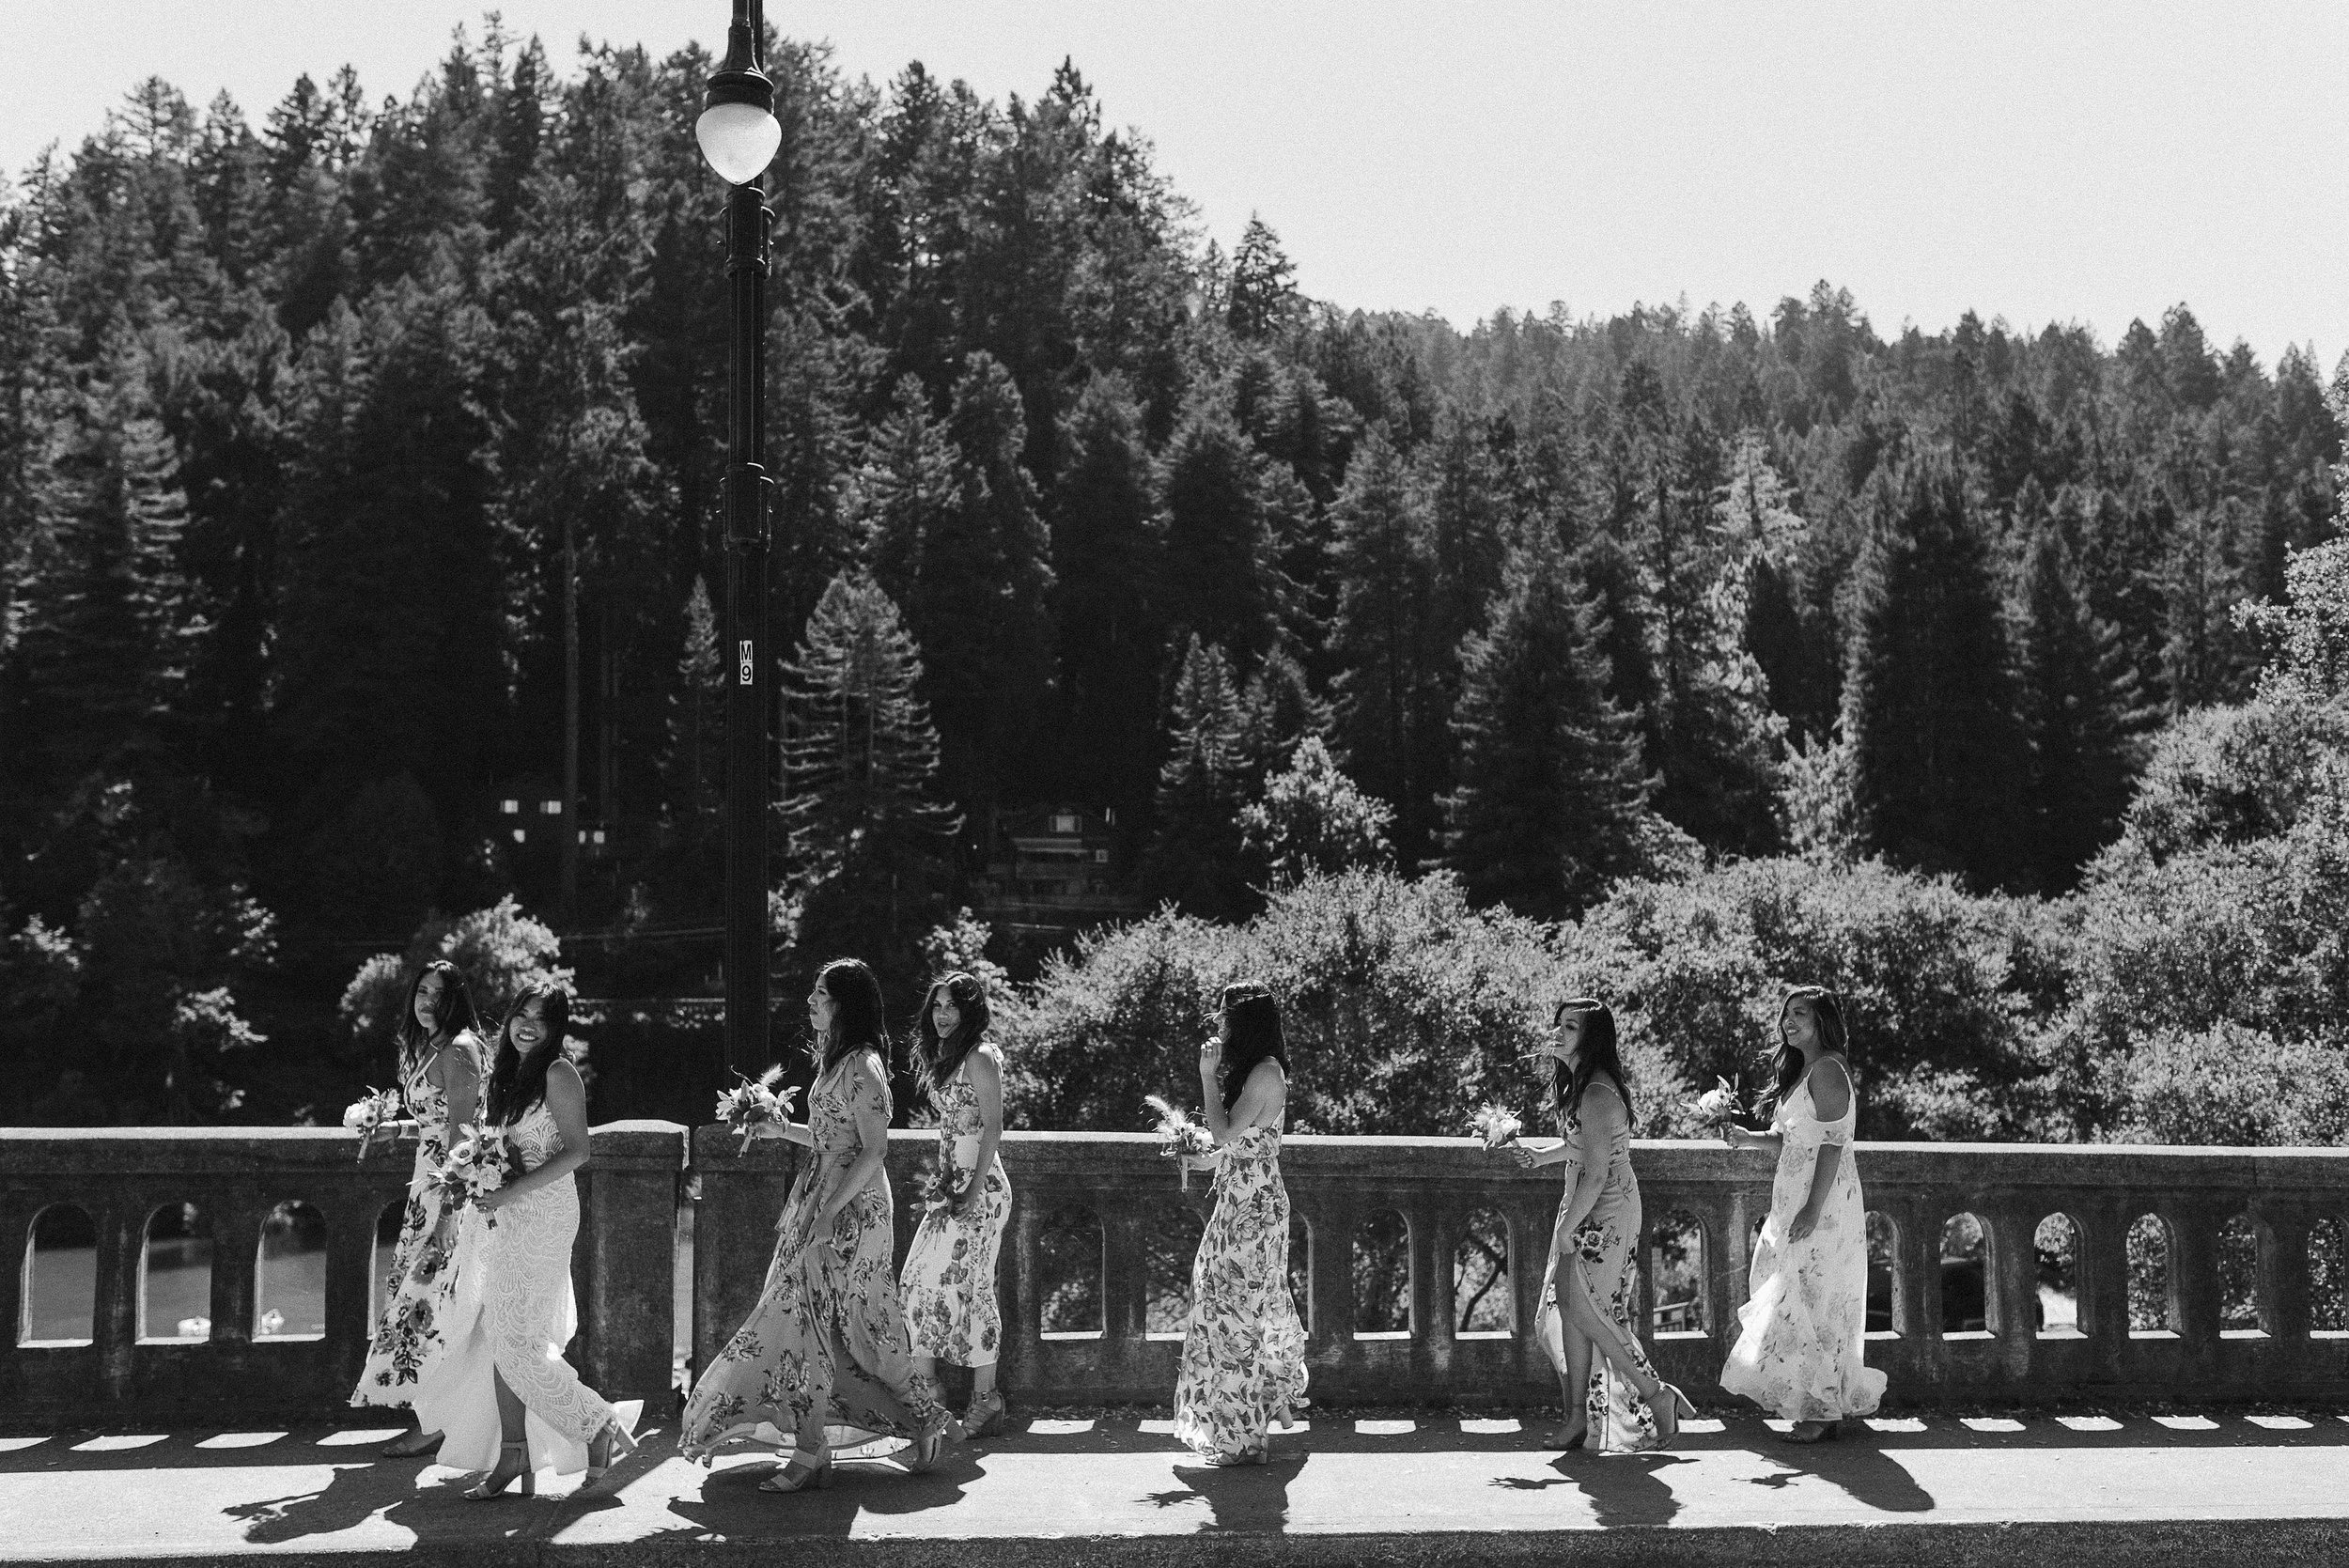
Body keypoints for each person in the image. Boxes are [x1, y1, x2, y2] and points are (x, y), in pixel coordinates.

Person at [679, 958, 957, 1491]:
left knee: (864, 1324)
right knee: (799, 1316)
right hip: (816, 1199)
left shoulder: (865, 1066)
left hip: (852, 1211)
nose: (810, 1000)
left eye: (821, 993)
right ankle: (813, 1444)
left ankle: (912, 1419)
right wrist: (782, 1129)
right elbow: (831, 1139)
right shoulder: (835, 1060)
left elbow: (874, 1150)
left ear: (845, 1005)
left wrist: (829, 1212)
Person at [412, 983, 638, 1498]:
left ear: (555, 1028)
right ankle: (515, 1454)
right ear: (510, 1018)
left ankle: (598, 1425)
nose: (528, 1026)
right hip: (504, 1216)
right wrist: (473, 1175)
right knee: (500, 1335)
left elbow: (578, 1151)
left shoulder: (558, 1074)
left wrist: (510, 1189)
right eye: (521, 1014)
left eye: (541, 1018)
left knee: (516, 1343)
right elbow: (486, 1145)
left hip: (545, 1214)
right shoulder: (506, 1076)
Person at [1508, 997, 1692, 1452]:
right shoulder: (1582, 1086)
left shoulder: (1594, 1092)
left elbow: (1596, 1174)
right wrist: (1542, 1156)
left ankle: (1656, 1395)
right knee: (1572, 1309)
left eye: (1569, 1027)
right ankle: (1577, 1418)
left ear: (1591, 1039)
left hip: (1603, 1209)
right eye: (1557, 1024)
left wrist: (1567, 1228)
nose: (1557, 1033)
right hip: (1587, 1202)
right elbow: (1587, 1148)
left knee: (1590, 1311)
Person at [1719, 986, 1887, 1441]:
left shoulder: (1829, 1068)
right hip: (1791, 1198)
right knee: (1793, 1293)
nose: (1788, 1022)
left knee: (1815, 1299)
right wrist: (1747, 1137)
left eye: (1800, 1014)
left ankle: (1819, 1410)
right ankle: (1817, 1402)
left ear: (1822, 1021)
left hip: (1823, 1202)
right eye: (1786, 1014)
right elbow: (1793, 1139)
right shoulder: (1804, 1069)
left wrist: (1812, 1209)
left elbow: (1833, 1143)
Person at [1170, 983, 1309, 1467]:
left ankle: (1243, 1439)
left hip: (1254, 1211)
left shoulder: (1266, 1073)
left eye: (1226, 1018)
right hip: (1240, 1204)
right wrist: (1202, 1157)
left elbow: (1224, 1131)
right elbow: (1237, 1143)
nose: (1220, 1027)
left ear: (1245, 1024)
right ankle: (1266, 1405)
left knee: (1236, 1316)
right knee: (1226, 1304)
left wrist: (1206, 1077)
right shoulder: (1257, 1071)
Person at [354, 959, 485, 1457]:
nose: (428, 1002)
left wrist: (450, 1210)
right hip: (424, 1190)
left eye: (439, 994)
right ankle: (432, 1417)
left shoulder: (460, 1050)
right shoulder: (427, 1047)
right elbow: (434, 1123)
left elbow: (466, 1134)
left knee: (433, 1301)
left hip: (450, 1193)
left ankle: (435, 1424)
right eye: (422, 991)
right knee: (418, 1298)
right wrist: (393, 1128)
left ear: (456, 1001)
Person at [898, 971, 1013, 1436]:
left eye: (951, 1006)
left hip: (980, 1189)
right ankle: (929, 1391)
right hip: (950, 1186)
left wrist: (972, 1188)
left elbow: (994, 1126)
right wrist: (948, 1185)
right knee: (916, 1280)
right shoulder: (948, 1055)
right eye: (937, 1005)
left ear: (969, 1011)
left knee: (974, 1288)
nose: (942, 1014)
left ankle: (986, 1400)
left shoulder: (980, 1056)